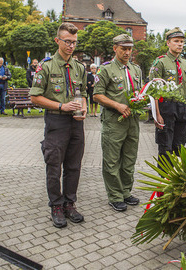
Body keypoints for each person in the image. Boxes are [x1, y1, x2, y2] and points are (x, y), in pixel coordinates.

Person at [29, 23, 87, 228]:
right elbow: (35, 97)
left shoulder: (79, 67)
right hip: (56, 121)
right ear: (57, 41)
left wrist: (85, 108)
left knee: (74, 165)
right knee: (54, 166)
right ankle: (56, 205)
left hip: (76, 122)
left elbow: (84, 94)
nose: (71, 46)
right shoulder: (46, 66)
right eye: (67, 41)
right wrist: (62, 105)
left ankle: (69, 203)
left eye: (74, 42)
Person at [93, 34, 142, 212]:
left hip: (132, 121)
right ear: (115, 48)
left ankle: (126, 192)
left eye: (130, 49)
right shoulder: (105, 70)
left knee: (129, 159)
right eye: (124, 49)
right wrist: (117, 105)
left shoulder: (136, 69)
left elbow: (140, 92)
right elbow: (97, 95)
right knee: (112, 160)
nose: (127, 52)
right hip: (114, 121)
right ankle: (115, 196)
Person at [148, 27, 186, 168]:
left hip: (181, 108)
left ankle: (176, 179)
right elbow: (154, 90)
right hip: (165, 108)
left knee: (179, 145)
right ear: (168, 43)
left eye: (182, 41)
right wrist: (157, 114)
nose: (180, 44)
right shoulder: (160, 62)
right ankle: (163, 183)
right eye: (176, 41)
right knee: (165, 146)